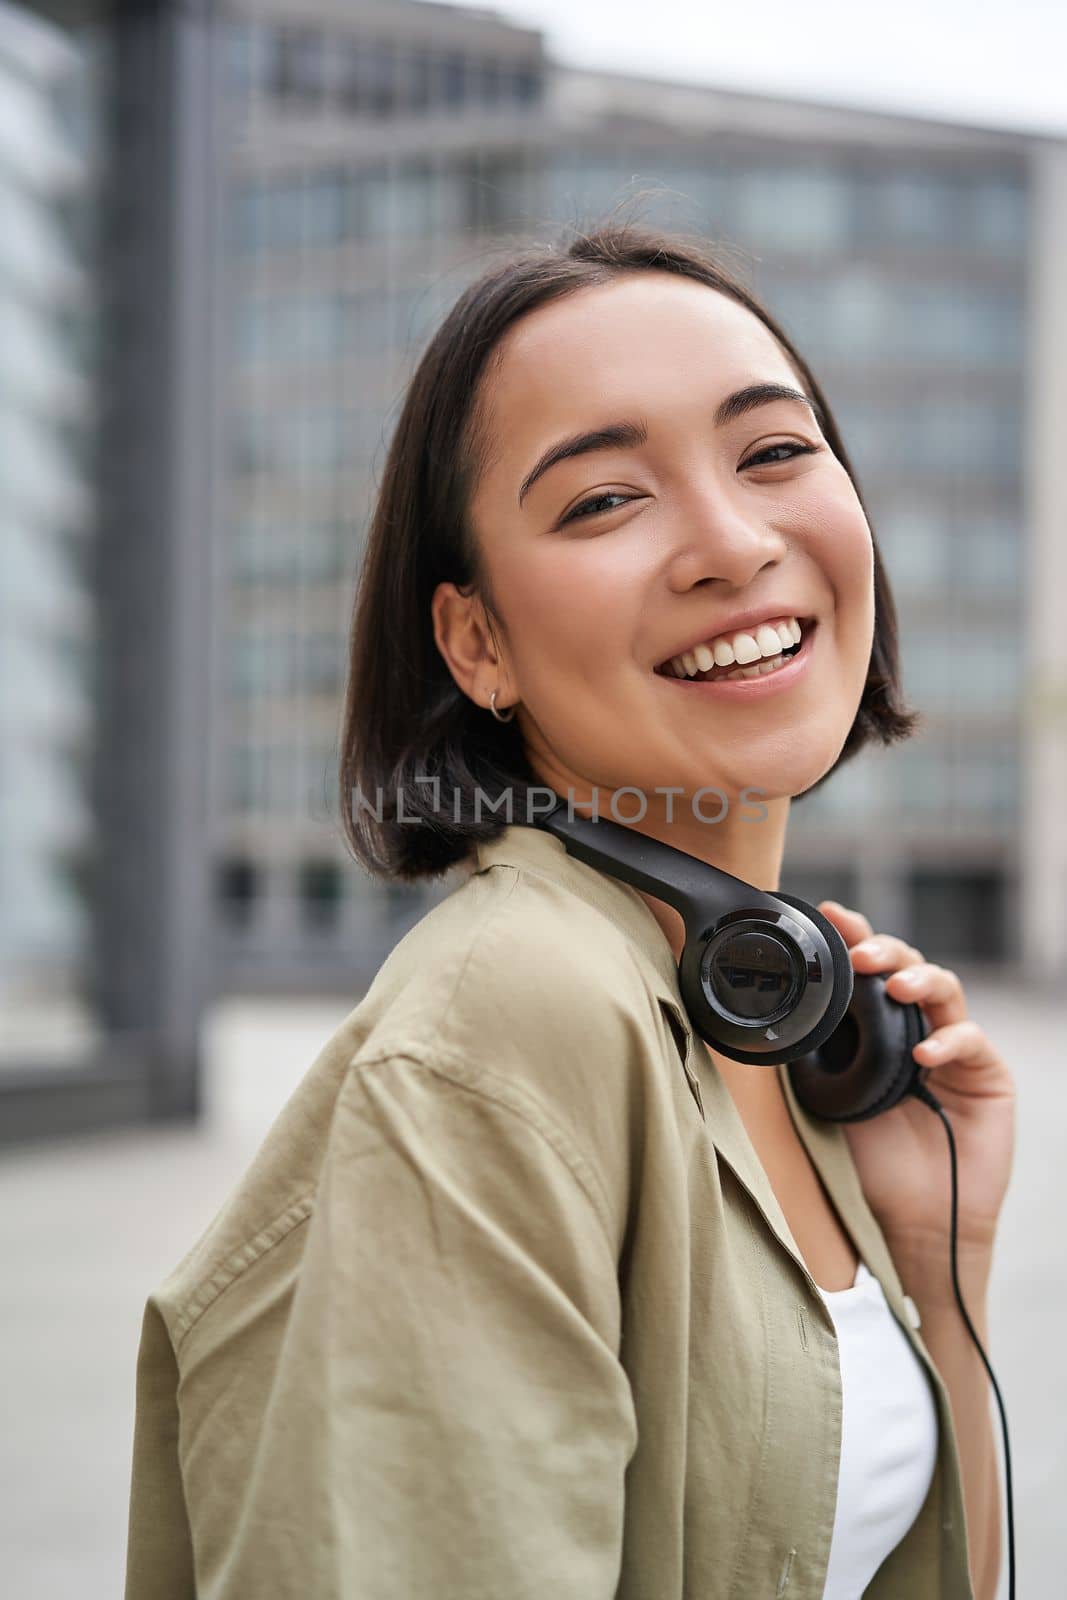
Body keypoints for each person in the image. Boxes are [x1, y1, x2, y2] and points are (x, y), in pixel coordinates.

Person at [124, 220, 1015, 1599]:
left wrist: (938, 1283)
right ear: (477, 642)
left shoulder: (781, 1038)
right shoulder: (509, 1025)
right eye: (605, 499)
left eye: (773, 452)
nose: (731, 542)